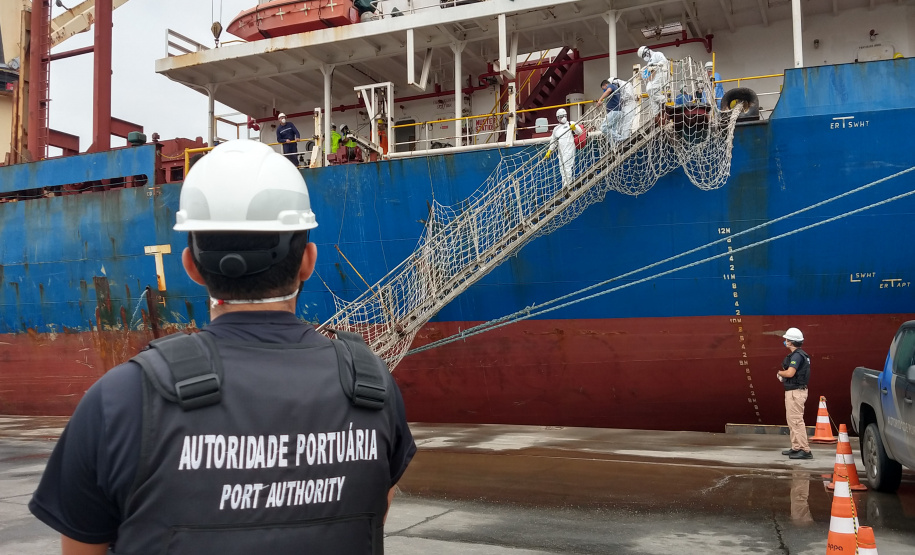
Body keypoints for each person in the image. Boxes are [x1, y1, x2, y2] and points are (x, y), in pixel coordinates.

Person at [29, 139, 416, 554]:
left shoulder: (120, 400)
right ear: (308, 260)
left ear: (191, 266)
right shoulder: (372, 386)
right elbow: (374, 510)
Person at [778, 327, 812, 459]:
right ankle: (796, 447)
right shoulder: (801, 355)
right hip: (795, 391)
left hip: (795, 392)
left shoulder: (797, 356)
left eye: (786, 339)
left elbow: (790, 373)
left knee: (796, 421)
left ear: (791, 342)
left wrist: (779, 373)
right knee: (792, 420)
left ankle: (805, 450)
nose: (785, 341)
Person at [544, 107, 583, 186]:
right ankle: (564, 182)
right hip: (561, 151)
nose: (563, 118)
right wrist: (549, 151)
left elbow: (580, 132)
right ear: (558, 118)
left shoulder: (571, 123)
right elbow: (553, 141)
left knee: (567, 166)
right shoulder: (556, 129)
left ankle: (568, 183)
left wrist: (574, 128)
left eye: (565, 116)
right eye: (562, 116)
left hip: (570, 149)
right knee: (562, 168)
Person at [637, 46, 669, 118]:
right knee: (651, 96)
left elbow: (664, 61)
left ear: (647, 51)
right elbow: (649, 75)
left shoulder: (657, 54)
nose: (645, 57)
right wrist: (642, 75)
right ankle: (657, 114)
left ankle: (663, 100)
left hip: (661, 75)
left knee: (650, 88)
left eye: (644, 55)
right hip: (654, 78)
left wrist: (656, 65)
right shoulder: (649, 62)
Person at [596, 79, 624, 143]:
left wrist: (600, 100)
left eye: (603, 89)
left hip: (614, 111)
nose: (604, 91)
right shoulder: (615, 89)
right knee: (612, 130)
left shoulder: (611, 86)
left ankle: (620, 138)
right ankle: (614, 147)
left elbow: (608, 90)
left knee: (603, 127)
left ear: (605, 85)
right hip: (617, 112)